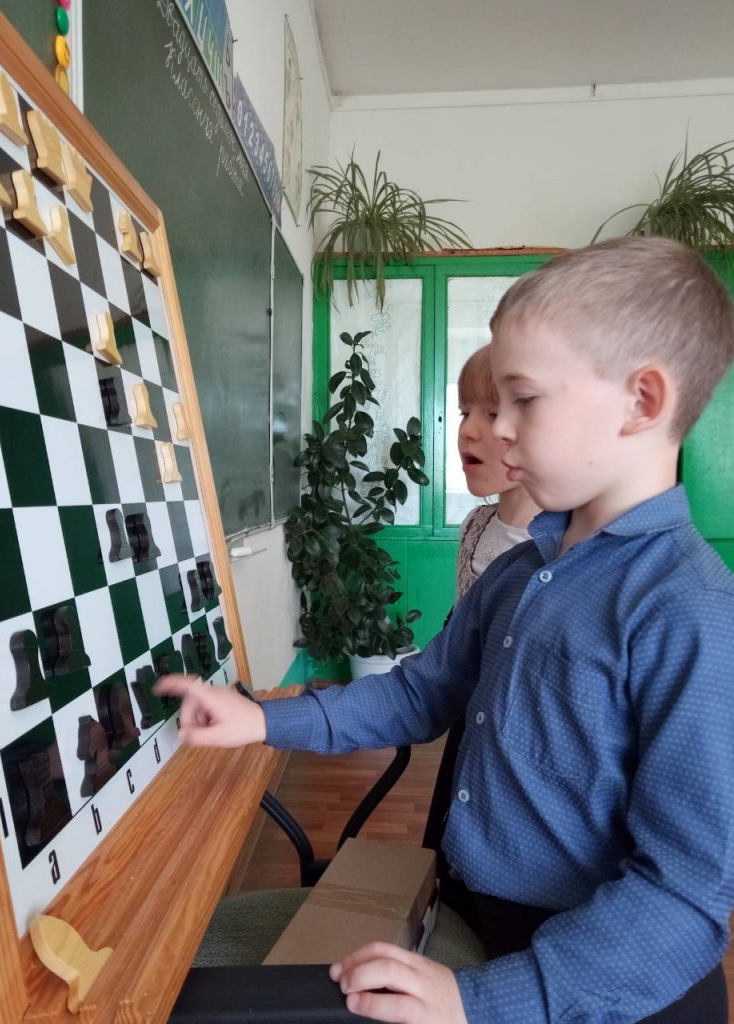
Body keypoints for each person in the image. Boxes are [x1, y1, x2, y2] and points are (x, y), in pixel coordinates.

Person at [156, 237, 734, 1024]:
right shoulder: (518, 571)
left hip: (590, 982)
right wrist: (261, 718)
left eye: (523, 400)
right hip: (471, 913)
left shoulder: (690, 609)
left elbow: (683, 895)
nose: (500, 429)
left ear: (642, 401)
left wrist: (479, 1000)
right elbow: (418, 696)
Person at [454, 344, 540, 600]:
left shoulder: (570, 545)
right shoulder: (473, 524)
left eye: (494, 414)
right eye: (464, 413)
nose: (467, 430)